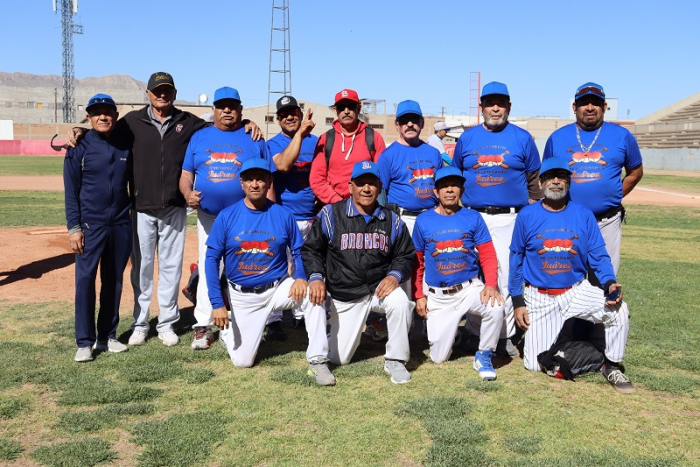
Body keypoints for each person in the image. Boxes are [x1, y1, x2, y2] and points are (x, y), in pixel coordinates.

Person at [68, 72, 261, 348]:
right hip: (141, 208)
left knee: (171, 269)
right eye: (157, 90)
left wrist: (247, 122)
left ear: (174, 94)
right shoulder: (131, 122)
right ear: (147, 94)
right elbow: (103, 128)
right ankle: (140, 324)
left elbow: (222, 122)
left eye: (167, 90)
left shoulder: (188, 122)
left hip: (173, 208)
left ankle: (167, 323)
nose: (162, 95)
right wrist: (80, 131)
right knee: (142, 271)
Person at [508, 157, 635, 394]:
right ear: (541, 182)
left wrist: (609, 282)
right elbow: (516, 259)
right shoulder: (527, 215)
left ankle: (611, 364)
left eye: (562, 177)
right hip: (539, 296)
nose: (556, 181)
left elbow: (598, 254)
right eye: (550, 177)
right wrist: (517, 301)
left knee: (619, 310)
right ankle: (582, 351)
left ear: (569, 182)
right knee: (535, 365)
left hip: (575, 290)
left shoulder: (583, 214)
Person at [206, 158, 329, 379]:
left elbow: (299, 251)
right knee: (243, 362)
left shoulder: (283, 214)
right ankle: (228, 332)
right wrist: (217, 303)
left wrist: (301, 277)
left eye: (261, 179)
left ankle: (318, 360)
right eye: (249, 179)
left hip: (278, 287)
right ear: (241, 183)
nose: (255, 184)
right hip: (243, 295)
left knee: (314, 292)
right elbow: (211, 260)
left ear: (269, 182)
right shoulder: (227, 216)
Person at [302, 161, 416, 384]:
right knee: (340, 358)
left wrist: (394, 275)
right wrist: (316, 277)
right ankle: (332, 338)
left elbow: (405, 255)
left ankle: (396, 359)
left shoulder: (392, 219)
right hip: (346, 292)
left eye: (371, 183)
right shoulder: (331, 214)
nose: (366, 189)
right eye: (361, 183)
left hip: (378, 289)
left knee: (401, 301)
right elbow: (312, 250)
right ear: (350, 186)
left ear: (379, 187)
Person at [180, 87, 275, 350]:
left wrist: (271, 212)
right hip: (209, 216)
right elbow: (186, 174)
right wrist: (187, 193)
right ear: (214, 109)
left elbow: (268, 178)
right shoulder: (199, 137)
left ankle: (242, 321)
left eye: (232, 106)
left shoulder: (253, 136)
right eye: (222, 106)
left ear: (240, 110)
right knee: (208, 264)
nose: (227, 110)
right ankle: (203, 324)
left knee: (245, 263)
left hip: (245, 215)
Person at [453, 81, 543, 357]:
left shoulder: (522, 138)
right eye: (490, 103)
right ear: (481, 107)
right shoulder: (468, 138)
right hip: (473, 215)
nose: (495, 108)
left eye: (500, 103)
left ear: (509, 107)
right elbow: (456, 176)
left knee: (505, 274)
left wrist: (531, 214)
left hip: (509, 218)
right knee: (473, 274)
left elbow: (534, 182)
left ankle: (504, 334)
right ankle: (474, 332)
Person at [543, 82, 643, 280]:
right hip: (568, 220)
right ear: (575, 107)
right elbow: (546, 177)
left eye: (595, 103)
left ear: (604, 107)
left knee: (604, 280)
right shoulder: (557, 137)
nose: (590, 107)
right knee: (567, 279)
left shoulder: (622, 135)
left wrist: (615, 195)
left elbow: (635, 172)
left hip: (607, 221)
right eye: (584, 103)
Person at [412, 166, 504, 380]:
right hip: (439, 296)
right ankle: (453, 335)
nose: (449, 190)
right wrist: (418, 295)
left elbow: (488, 255)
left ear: (461, 190)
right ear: (436, 192)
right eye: (444, 186)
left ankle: (484, 354)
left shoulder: (473, 217)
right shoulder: (423, 220)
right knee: (438, 358)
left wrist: (490, 285)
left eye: (454, 186)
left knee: (496, 306)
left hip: (468, 288)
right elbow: (417, 262)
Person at [64, 94, 132, 362]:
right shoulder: (78, 146)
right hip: (90, 226)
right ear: (89, 117)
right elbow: (71, 191)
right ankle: (84, 342)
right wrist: (74, 227)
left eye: (107, 112)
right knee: (85, 281)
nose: (103, 117)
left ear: (115, 115)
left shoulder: (126, 144)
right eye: (97, 113)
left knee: (113, 281)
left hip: (121, 224)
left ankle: (107, 336)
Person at [265, 95, 318, 332]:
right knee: (277, 267)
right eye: (283, 114)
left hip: (312, 215)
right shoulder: (272, 144)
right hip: (283, 215)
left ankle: (301, 313)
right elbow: (283, 165)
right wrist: (300, 135)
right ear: (278, 120)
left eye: (293, 113)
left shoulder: (316, 142)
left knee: (304, 266)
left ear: (300, 114)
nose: (289, 117)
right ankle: (274, 318)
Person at [309, 89, 386, 204]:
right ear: (335, 110)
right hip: (334, 206)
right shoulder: (326, 139)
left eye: (351, 106)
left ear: (359, 108)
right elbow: (317, 179)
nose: (346, 111)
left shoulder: (374, 137)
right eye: (341, 107)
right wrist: (339, 204)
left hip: (365, 206)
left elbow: (380, 176)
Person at [378, 100, 443, 236]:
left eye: (414, 120)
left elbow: (442, 187)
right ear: (397, 125)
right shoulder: (387, 156)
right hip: (402, 219)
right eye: (404, 121)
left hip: (432, 217)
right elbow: (381, 194)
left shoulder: (434, 153)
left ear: (422, 123)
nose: (409, 124)